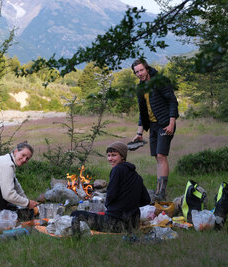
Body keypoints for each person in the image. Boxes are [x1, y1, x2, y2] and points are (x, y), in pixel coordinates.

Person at [71, 141, 151, 235]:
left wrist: (114, 207)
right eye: (108, 155)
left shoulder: (117, 170)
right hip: (134, 224)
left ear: (122, 156)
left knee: (75, 214)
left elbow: (111, 196)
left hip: (115, 223)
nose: (110, 159)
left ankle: (76, 240)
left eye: (114, 155)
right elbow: (146, 200)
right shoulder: (136, 175)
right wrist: (130, 205)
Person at [131, 58, 179, 201]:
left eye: (141, 70)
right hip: (152, 126)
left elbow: (172, 102)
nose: (139, 73)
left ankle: (161, 193)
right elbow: (143, 112)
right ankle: (158, 191)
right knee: (157, 157)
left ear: (146, 68)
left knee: (161, 155)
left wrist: (171, 123)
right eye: (137, 72)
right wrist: (139, 133)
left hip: (165, 123)